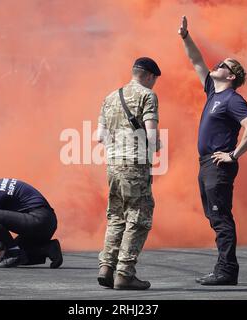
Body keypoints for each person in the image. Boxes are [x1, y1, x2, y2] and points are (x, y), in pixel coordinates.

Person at [179, 16, 247, 285]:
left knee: (221, 217)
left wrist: (233, 155)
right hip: (205, 163)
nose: (217, 65)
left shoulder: (233, 100)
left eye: (223, 65)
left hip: (218, 165)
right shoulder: (214, 92)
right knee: (215, 217)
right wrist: (185, 36)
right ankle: (224, 269)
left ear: (232, 75)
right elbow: (196, 61)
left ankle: (226, 272)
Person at [96, 57, 161, 290]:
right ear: (150, 76)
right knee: (139, 217)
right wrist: (154, 149)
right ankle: (124, 273)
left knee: (116, 216)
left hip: (113, 165)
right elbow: (151, 136)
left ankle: (106, 266)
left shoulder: (110, 97)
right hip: (135, 164)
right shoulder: (147, 95)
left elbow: (99, 136)